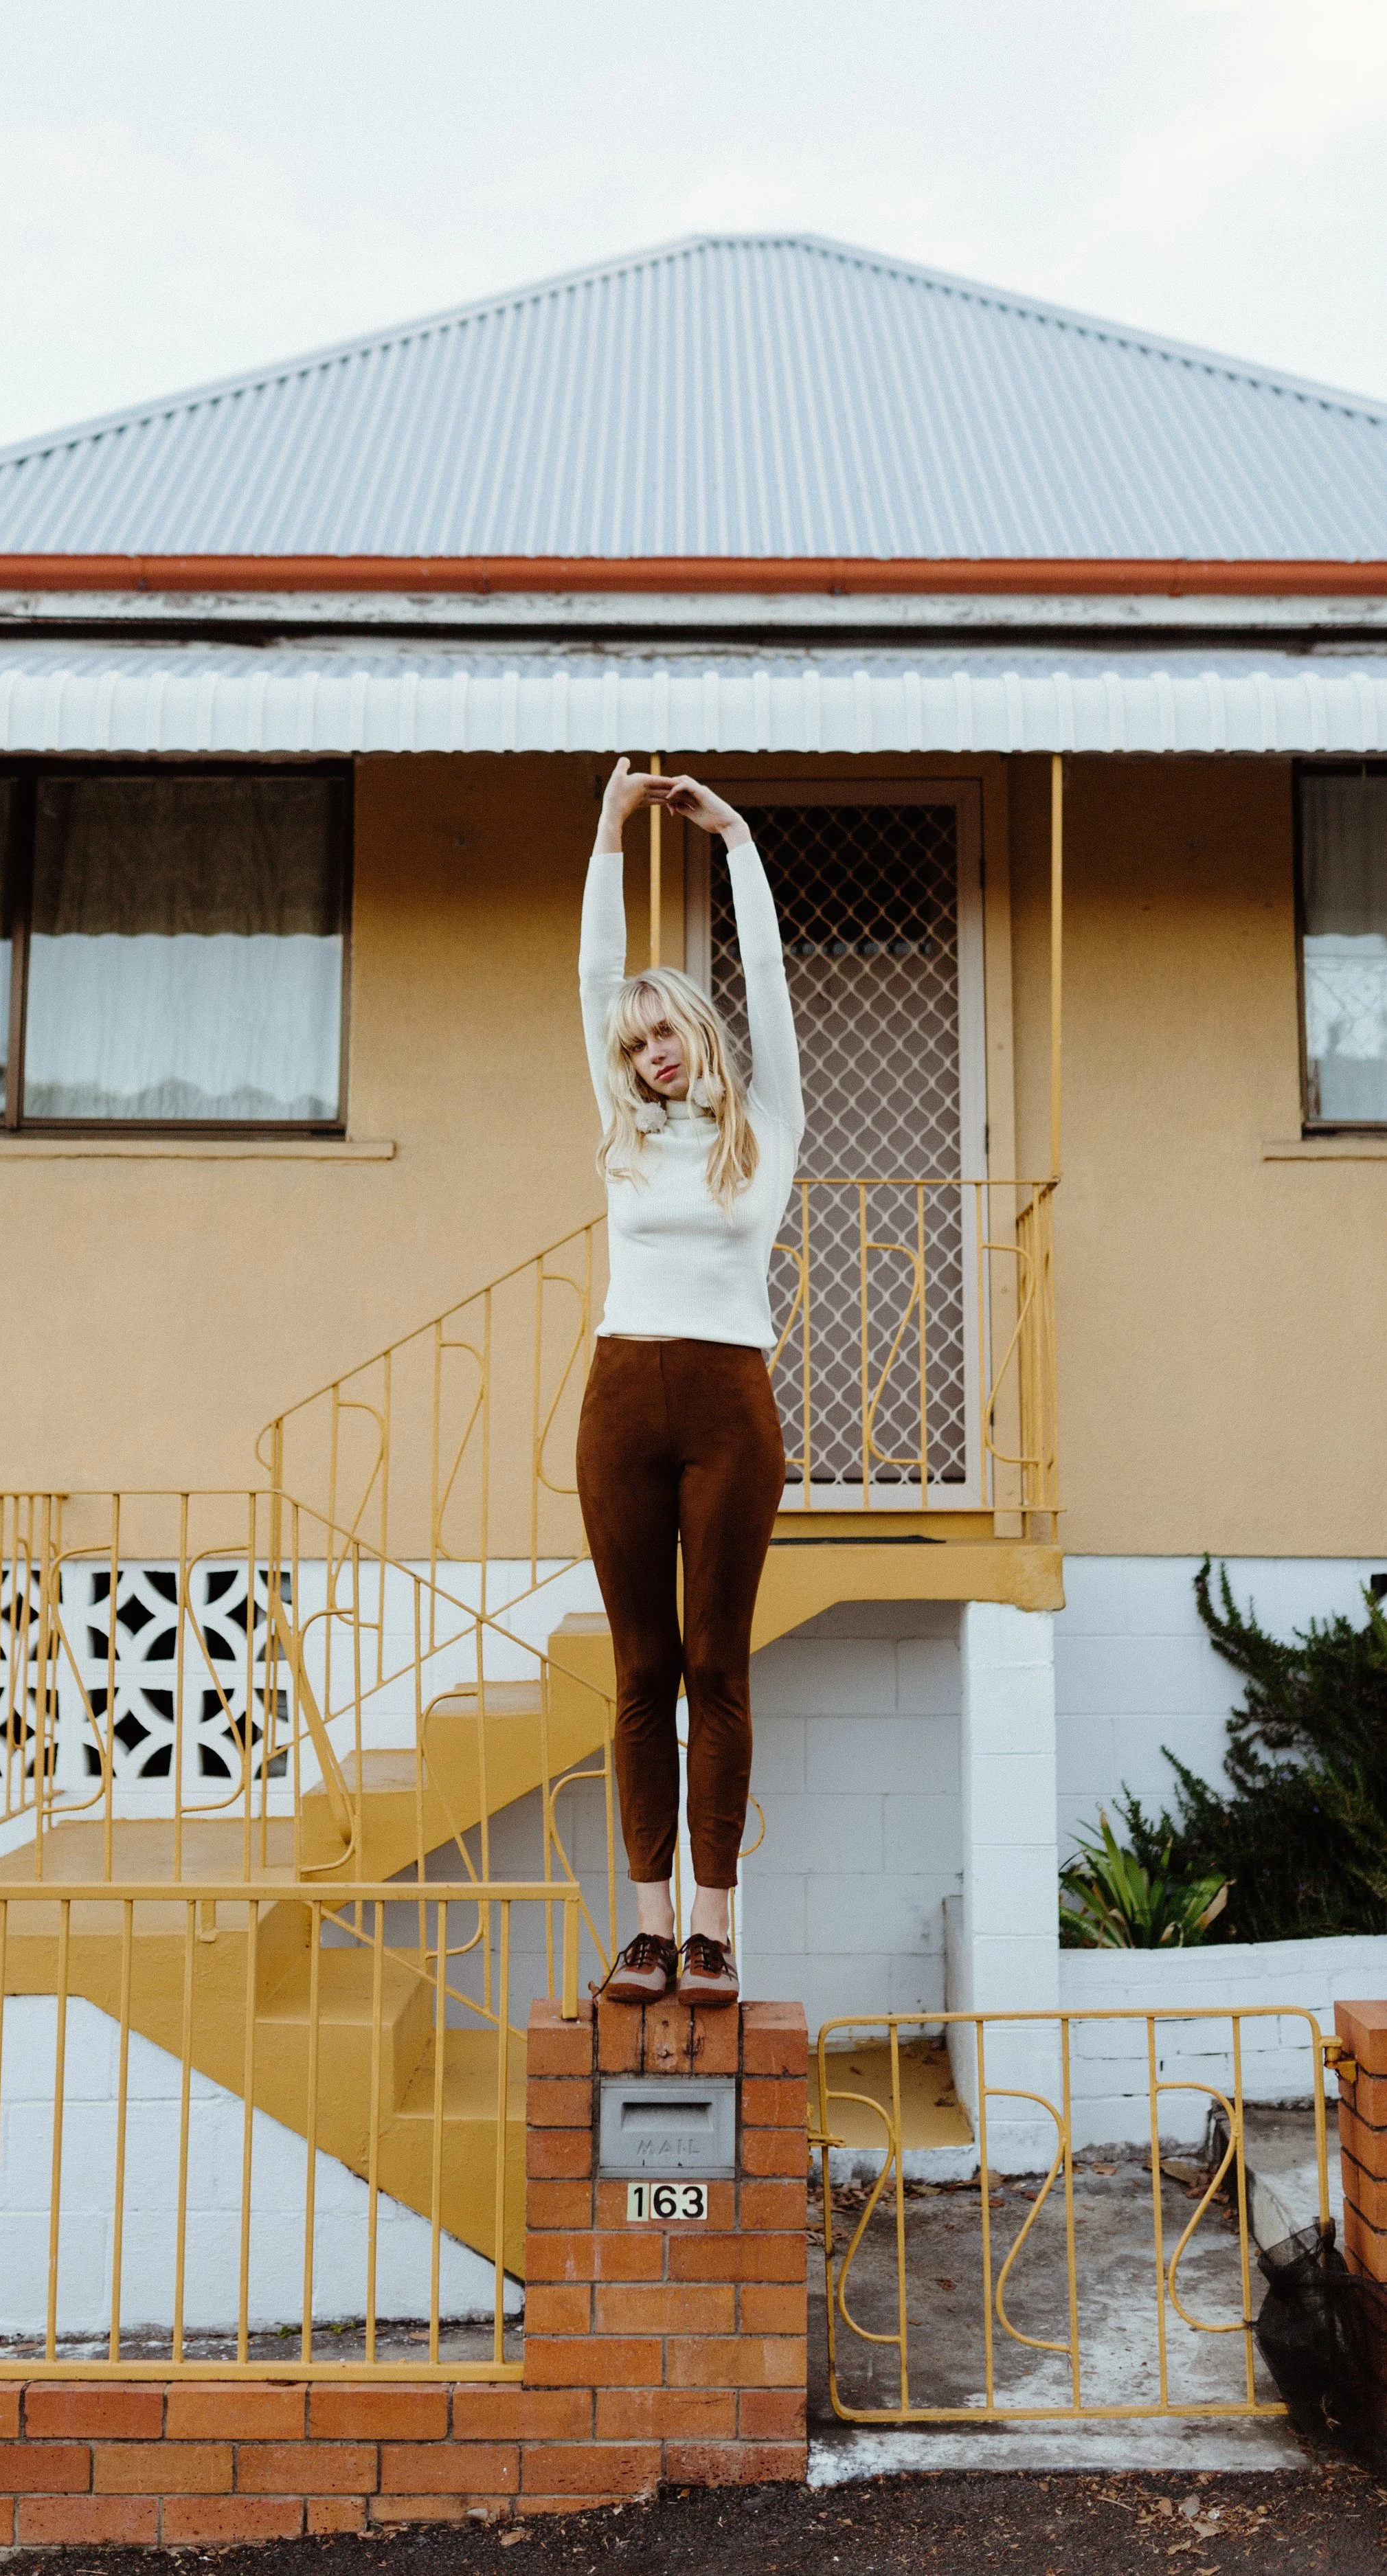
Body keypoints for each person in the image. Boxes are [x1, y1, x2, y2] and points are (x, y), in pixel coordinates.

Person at [576, 759, 803, 2007]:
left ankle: (716, 1928)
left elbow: (767, 979)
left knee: (718, 1661)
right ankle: (648, 1929)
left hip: (731, 1410)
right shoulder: (622, 1141)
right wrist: (608, 833)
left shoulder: (763, 1129)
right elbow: (587, 974)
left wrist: (737, 840)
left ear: (697, 1034)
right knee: (639, 1668)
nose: (651, 1052)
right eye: (633, 1040)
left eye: (664, 1030)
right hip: (621, 1406)